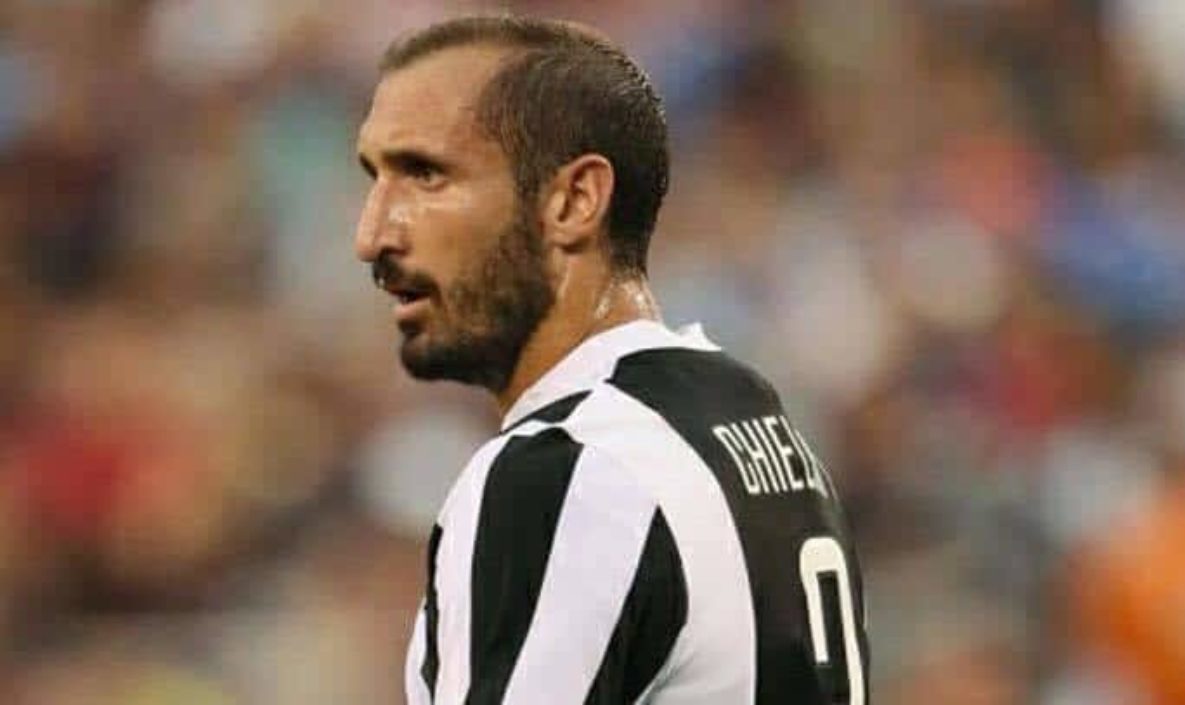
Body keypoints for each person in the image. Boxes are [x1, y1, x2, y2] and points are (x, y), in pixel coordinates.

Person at [352, 15, 870, 705]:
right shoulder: (748, 417)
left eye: (427, 176)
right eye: (375, 178)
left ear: (574, 200)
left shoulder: (567, 466)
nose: (372, 235)